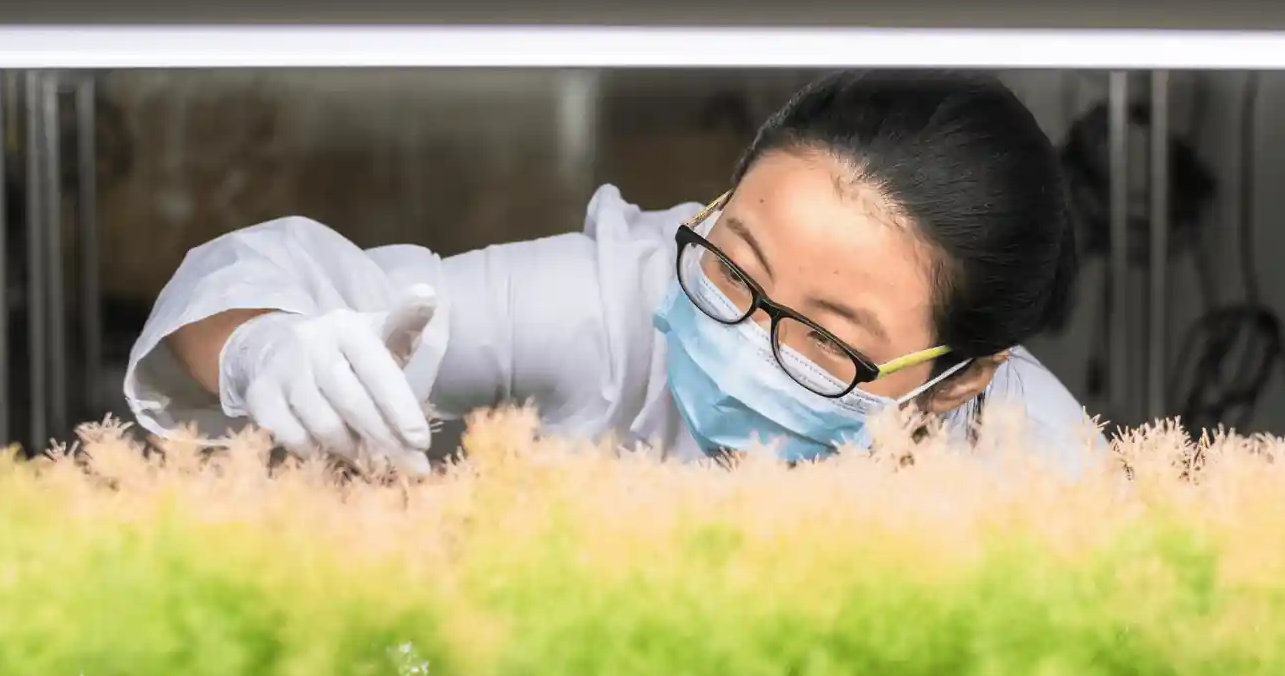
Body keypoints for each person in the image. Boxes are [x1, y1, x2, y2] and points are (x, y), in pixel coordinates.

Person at [125, 71, 1099, 475]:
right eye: (733, 266)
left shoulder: (1050, 472)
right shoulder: (619, 298)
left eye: (821, 339)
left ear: (962, 374)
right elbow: (260, 281)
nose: (740, 339)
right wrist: (266, 347)